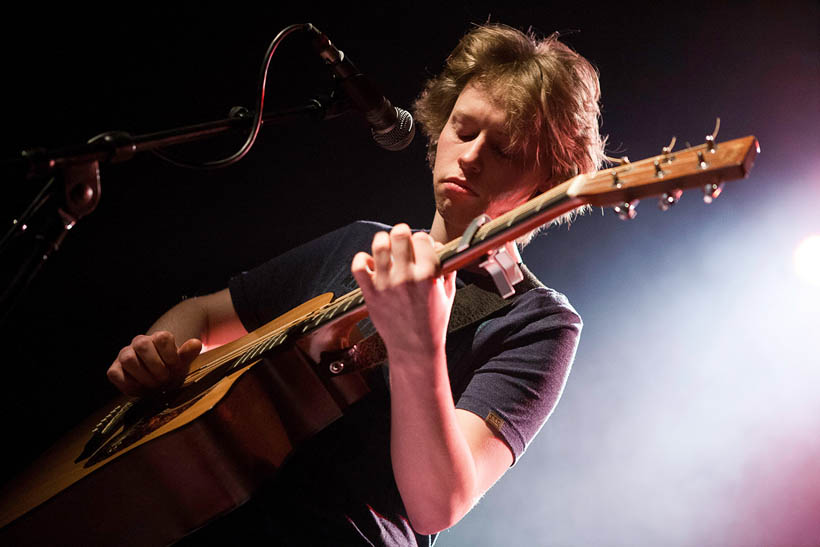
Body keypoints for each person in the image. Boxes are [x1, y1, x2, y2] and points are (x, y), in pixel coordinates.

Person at [107, 23, 605, 546]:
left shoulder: (538, 323)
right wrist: (154, 360)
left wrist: (417, 346)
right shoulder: (360, 244)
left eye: (504, 149)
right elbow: (205, 316)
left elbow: (437, 506)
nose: (472, 155)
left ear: (548, 183)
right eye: (463, 129)